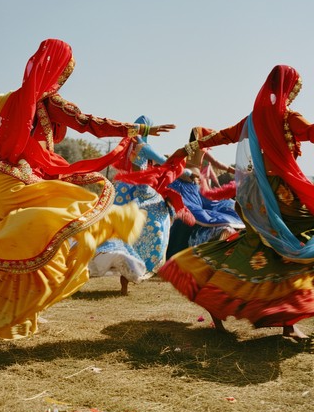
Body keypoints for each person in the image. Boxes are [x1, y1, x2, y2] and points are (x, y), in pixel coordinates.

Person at [0, 38, 176, 339]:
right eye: (64, 72)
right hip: (19, 185)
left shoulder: (13, 97)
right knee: (54, 229)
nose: (62, 79)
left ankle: (17, 314)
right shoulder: (50, 103)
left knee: (25, 247)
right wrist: (138, 129)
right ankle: (5, 312)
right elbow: (89, 123)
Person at [160, 64, 314, 339]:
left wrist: (188, 147)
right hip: (281, 196)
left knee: (262, 250)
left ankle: (217, 298)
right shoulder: (288, 118)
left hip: (255, 196)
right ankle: (285, 321)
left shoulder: (251, 121)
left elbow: (220, 137)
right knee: (293, 249)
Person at [88, 115, 176, 295]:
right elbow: (159, 167)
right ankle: (133, 273)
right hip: (139, 193)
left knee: (123, 236)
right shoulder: (143, 147)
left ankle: (124, 283)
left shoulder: (133, 147)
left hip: (123, 192)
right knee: (154, 225)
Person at [165, 126, 245, 259]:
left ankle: (220, 235)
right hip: (186, 186)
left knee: (196, 213)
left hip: (191, 187)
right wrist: (235, 172)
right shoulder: (196, 149)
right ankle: (211, 237)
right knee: (192, 214)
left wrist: (236, 172)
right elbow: (218, 164)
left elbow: (217, 165)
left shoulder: (190, 149)